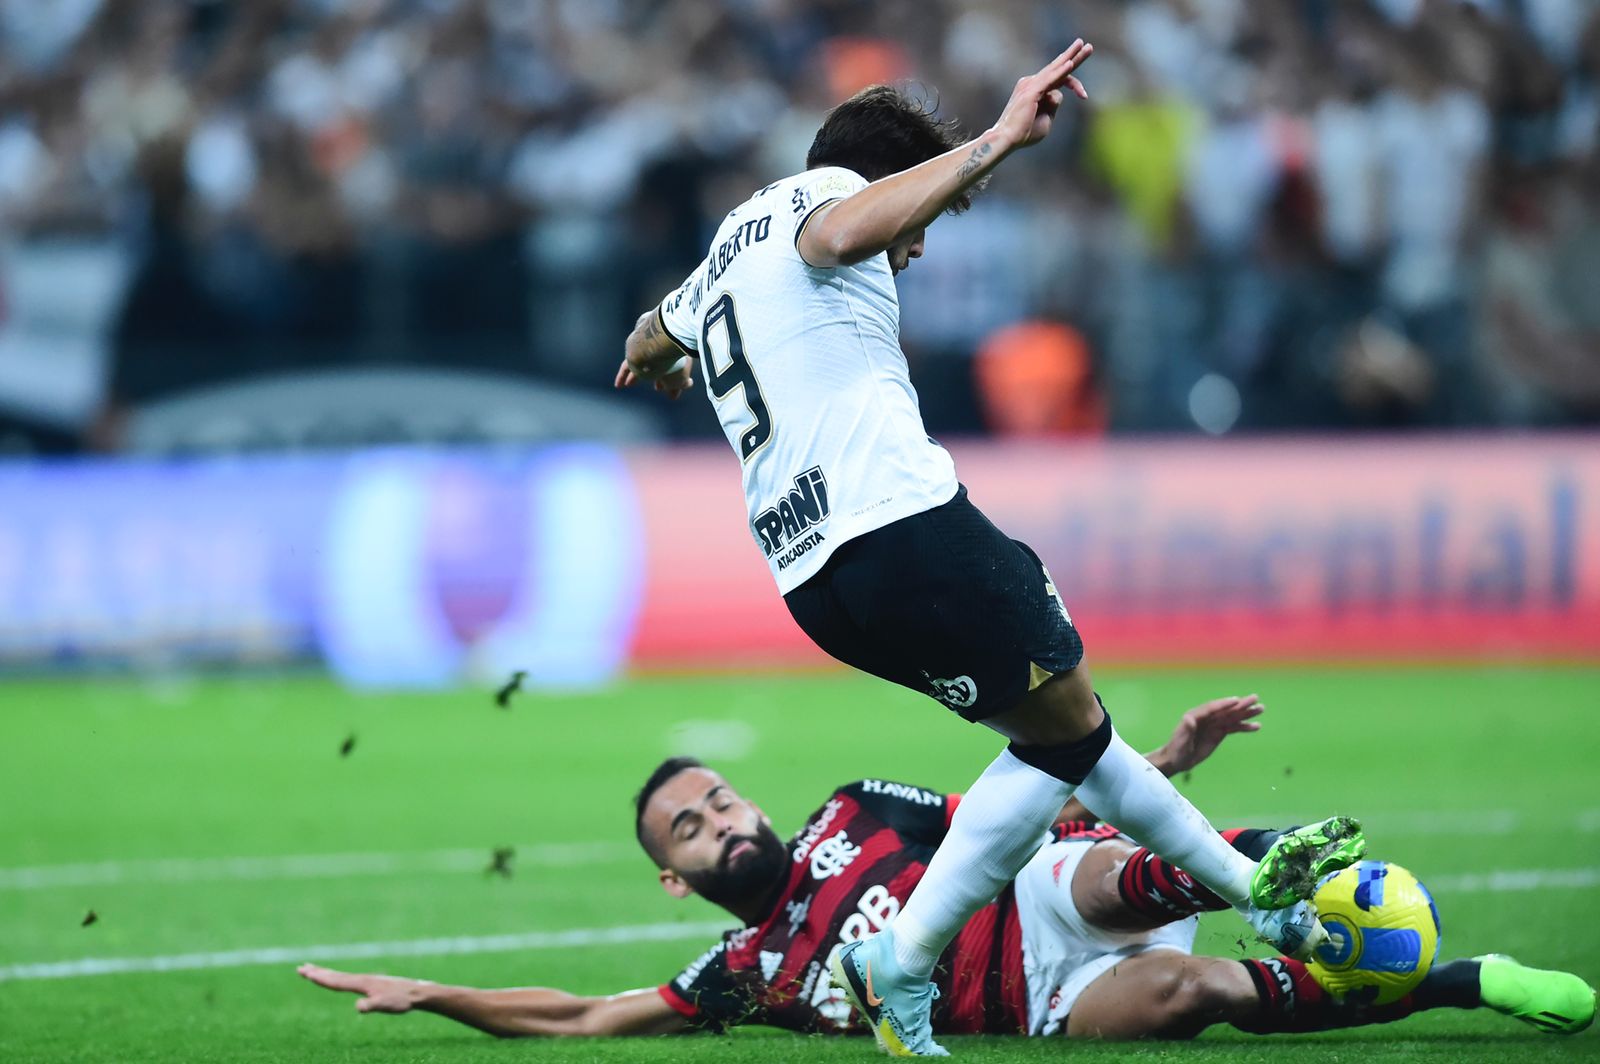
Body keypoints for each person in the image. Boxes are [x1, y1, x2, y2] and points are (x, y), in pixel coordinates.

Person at [611, 40, 1361, 1056]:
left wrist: (646, 350)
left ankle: (1251, 894)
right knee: (1067, 728)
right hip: (896, 522)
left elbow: (660, 326)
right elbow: (841, 231)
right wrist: (1000, 141)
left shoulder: (724, 251)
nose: (916, 249)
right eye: (919, 221)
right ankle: (908, 958)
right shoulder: (825, 198)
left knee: (1063, 729)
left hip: (814, 580)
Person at [298, 694, 1596, 1043]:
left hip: (1043, 895)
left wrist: (1161, 767)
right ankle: (1455, 980)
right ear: (676, 884)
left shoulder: (856, 812)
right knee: (1178, 1004)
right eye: (689, 834)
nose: (719, 822)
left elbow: (1026, 797)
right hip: (1030, 1003)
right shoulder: (743, 971)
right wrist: (433, 994)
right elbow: (586, 1017)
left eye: (717, 799)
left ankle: (1251, 871)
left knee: (1092, 876)